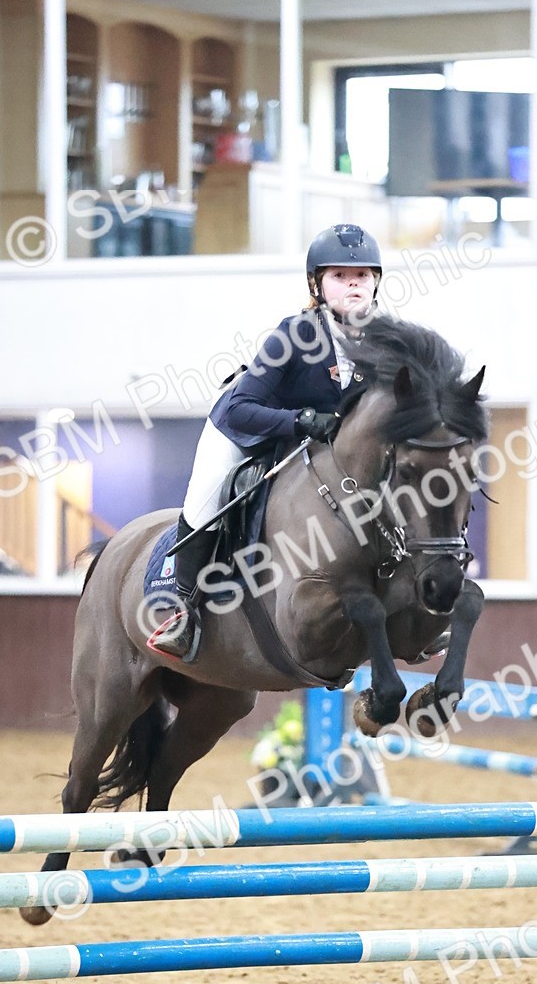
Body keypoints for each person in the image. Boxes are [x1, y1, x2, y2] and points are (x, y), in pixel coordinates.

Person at [149, 223, 383, 659]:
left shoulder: (385, 342)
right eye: (339, 276)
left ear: (375, 284)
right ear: (317, 284)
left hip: (314, 445)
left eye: (362, 276)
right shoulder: (295, 334)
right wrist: (301, 420)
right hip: (245, 429)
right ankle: (182, 607)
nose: (353, 284)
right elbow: (241, 407)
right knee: (209, 493)